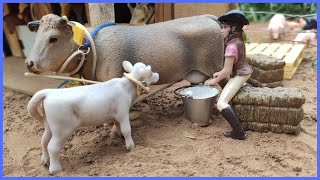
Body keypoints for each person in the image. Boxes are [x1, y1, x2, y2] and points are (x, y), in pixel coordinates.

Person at [205, 10, 252, 140]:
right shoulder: (238, 39)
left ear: (233, 28)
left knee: (221, 103)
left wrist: (214, 81)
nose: (222, 31)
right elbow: (227, 69)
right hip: (243, 72)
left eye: (225, 27)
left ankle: (239, 132)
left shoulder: (231, 46)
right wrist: (219, 74)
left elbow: (227, 71)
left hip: (240, 75)